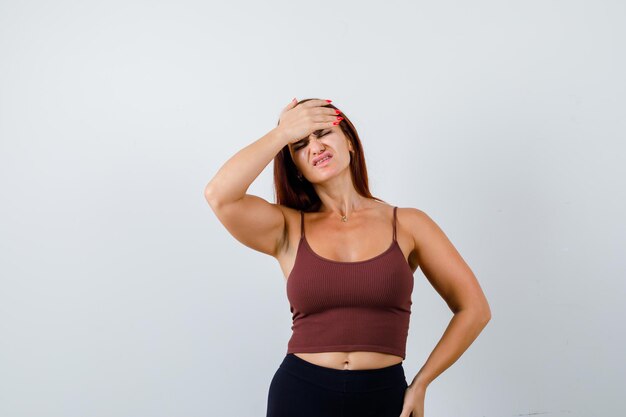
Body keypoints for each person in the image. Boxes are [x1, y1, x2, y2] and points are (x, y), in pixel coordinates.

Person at [204, 98, 492, 417]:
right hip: (301, 394)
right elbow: (219, 195)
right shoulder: (286, 227)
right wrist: (282, 133)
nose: (315, 146)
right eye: (300, 144)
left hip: (384, 397)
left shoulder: (410, 224)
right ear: (296, 169)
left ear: (350, 143)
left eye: (323, 133)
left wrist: (422, 382)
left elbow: (474, 309)